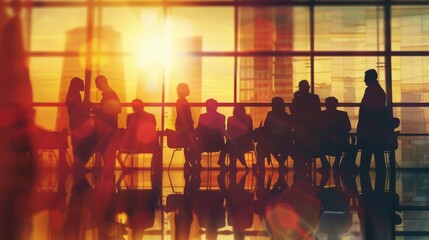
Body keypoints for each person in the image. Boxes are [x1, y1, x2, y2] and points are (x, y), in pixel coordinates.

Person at [357, 69, 387, 172]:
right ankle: (380, 182)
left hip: (370, 130)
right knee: (378, 155)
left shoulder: (371, 91)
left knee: (366, 155)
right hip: (375, 130)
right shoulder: (379, 91)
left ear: (370, 78)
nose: (364, 80)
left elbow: (367, 110)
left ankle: (365, 180)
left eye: (365, 78)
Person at [92, 75, 121, 174]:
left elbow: (115, 109)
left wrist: (99, 112)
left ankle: (108, 170)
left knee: (106, 148)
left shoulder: (109, 95)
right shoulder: (110, 94)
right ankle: (108, 170)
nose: (97, 87)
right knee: (108, 149)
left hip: (108, 128)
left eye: (97, 84)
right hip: (109, 127)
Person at [255, 97, 294, 172]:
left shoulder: (270, 114)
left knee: (260, 146)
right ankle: (281, 163)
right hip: (285, 143)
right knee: (282, 146)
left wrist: (258, 131)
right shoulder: (287, 116)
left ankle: (261, 166)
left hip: (273, 143)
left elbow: (266, 128)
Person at [290, 80, 322, 172]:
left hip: (301, 127)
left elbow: (294, 112)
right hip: (310, 127)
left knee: (300, 145)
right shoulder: (314, 97)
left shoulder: (297, 99)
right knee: (306, 146)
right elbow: (317, 111)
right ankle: (307, 162)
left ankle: (300, 163)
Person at [121, 99, 160, 169]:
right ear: (143, 106)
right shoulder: (151, 116)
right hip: (149, 145)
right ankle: (155, 165)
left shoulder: (130, 117)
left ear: (133, 107)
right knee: (155, 138)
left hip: (133, 145)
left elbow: (129, 132)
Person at [66, 77, 94, 170]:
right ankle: (78, 165)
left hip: (75, 123)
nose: (84, 86)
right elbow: (78, 110)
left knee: (77, 143)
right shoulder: (76, 96)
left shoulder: (72, 95)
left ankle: (77, 164)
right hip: (78, 124)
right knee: (79, 143)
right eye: (82, 84)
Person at [320, 96, 352, 169]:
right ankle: (336, 162)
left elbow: (319, 128)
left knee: (319, 143)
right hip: (340, 141)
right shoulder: (343, 114)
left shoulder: (322, 114)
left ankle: (325, 164)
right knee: (339, 143)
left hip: (325, 141)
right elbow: (348, 127)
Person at [218, 104, 253, 171]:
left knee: (230, 145)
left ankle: (231, 163)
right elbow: (250, 130)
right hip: (244, 142)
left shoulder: (231, 119)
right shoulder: (248, 118)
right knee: (232, 144)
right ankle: (236, 163)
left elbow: (229, 131)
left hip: (240, 142)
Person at [196, 98, 226, 169]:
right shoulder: (221, 117)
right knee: (226, 146)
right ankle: (221, 162)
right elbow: (222, 130)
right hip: (217, 144)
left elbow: (199, 129)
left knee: (194, 145)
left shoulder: (202, 117)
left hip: (204, 144)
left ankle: (197, 163)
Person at [175, 83, 199, 170]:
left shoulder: (180, 101)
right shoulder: (182, 102)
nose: (189, 91)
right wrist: (189, 126)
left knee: (187, 145)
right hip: (185, 127)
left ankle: (188, 162)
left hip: (183, 126)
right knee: (189, 144)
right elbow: (184, 116)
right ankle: (190, 162)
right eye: (187, 89)